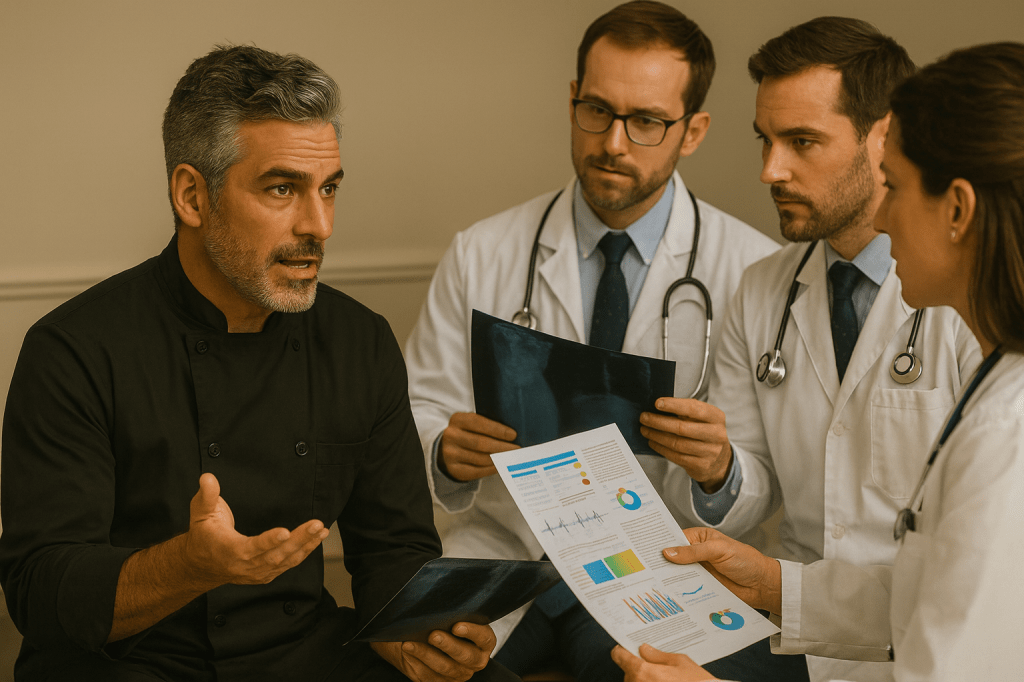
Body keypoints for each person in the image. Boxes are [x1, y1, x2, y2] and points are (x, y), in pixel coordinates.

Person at [0, 45, 516, 682]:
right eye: (282, 189)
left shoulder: (359, 341)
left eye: (329, 189)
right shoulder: (74, 350)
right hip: (132, 663)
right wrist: (190, 565)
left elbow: (394, 549)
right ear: (193, 196)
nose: (320, 225)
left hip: (297, 652)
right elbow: (41, 590)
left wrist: (413, 633)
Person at [611, 41, 1024, 682]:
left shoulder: (1007, 426)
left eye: (897, 186)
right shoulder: (1003, 383)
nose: (885, 213)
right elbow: (929, 600)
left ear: (958, 209)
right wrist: (776, 584)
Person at [403, 2, 779, 680]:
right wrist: (445, 452)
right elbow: (418, 409)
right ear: (573, 99)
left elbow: (762, 478)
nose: (613, 143)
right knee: (427, 666)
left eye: (647, 122)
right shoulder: (482, 251)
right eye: (598, 111)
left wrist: (718, 469)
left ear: (693, 131)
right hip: (504, 549)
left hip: (655, 562)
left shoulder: (752, 271)